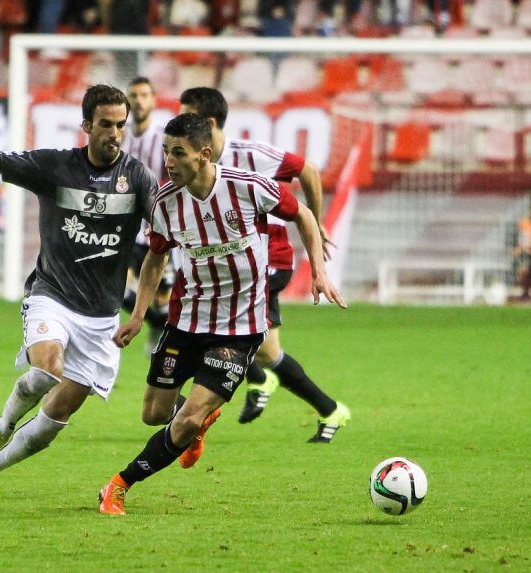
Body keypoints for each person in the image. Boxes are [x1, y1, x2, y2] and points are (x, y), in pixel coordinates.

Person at [0, 85, 157, 500]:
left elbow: (162, 243)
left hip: (102, 319)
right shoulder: (56, 167)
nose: (114, 134)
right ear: (86, 126)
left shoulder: (138, 179)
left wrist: (139, 314)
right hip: (53, 295)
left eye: (120, 126)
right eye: (105, 125)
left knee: (53, 420)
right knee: (46, 368)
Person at [98, 113, 347, 515]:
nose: (169, 161)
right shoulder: (165, 202)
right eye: (166, 151)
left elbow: (301, 213)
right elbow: (155, 259)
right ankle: (197, 423)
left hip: (241, 327)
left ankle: (119, 485)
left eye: (178, 153)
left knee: (184, 422)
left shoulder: (246, 188)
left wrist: (318, 269)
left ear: (205, 154)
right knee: (154, 414)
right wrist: (139, 314)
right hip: (187, 320)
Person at [179, 87, 351, 444]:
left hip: (267, 261)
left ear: (208, 125)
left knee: (221, 335)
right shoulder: (191, 164)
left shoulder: (253, 155)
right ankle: (327, 408)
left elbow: (308, 170)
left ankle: (258, 380)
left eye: (188, 119)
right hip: (233, 264)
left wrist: (315, 221)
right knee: (268, 351)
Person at [121, 77, 174, 349]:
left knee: (162, 294)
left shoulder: (164, 138)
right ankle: (154, 323)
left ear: (153, 100)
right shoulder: (119, 136)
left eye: (144, 95)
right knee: (119, 288)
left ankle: (162, 342)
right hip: (127, 228)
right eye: (134, 95)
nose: (139, 100)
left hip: (160, 228)